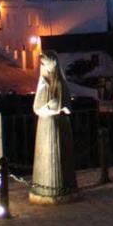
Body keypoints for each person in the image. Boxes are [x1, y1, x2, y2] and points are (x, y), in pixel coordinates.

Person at [30, 52, 78, 203]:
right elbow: (37, 108)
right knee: (47, 159)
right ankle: (46, 187)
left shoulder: (60, 83)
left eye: (46, 63)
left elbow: (68, 107)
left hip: (60, 124)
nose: (44, 66)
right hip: (46, 125)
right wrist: (49, 107)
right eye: (43, 64)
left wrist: (62, 106)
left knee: (62, 157)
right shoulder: (43, 82)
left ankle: (66, 186)